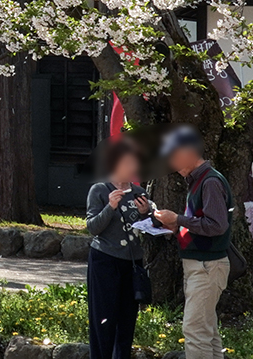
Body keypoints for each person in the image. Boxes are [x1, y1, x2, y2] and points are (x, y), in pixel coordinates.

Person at [153, 126, 234, 359]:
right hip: (202, 265)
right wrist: (176, 225)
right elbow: (203, 222)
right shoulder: (200, 180)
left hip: (207, 267)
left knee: (195, 329)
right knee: (207, 330)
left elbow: (217, 225)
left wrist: (177, 219)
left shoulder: (209, 182)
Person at [86, 138, 152, 359]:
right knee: (103, 318)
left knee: (127, 320)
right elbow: (93, 227)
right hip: (105, 260)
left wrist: (146, 214)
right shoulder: (99, 190)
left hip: (132, 263)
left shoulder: (139, 192)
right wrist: (110, 206)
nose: (132, 168)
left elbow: (148, 227)